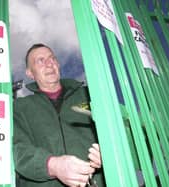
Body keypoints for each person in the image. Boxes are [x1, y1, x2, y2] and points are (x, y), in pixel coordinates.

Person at [13, 43, 105, 187]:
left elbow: (122, 130)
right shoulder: (20, 108)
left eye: (52, 58)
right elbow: (17, 149)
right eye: (40, 60)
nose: (49, 64)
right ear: (30, 73)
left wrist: (109, 151)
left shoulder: (90, 95)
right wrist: (52, 166)